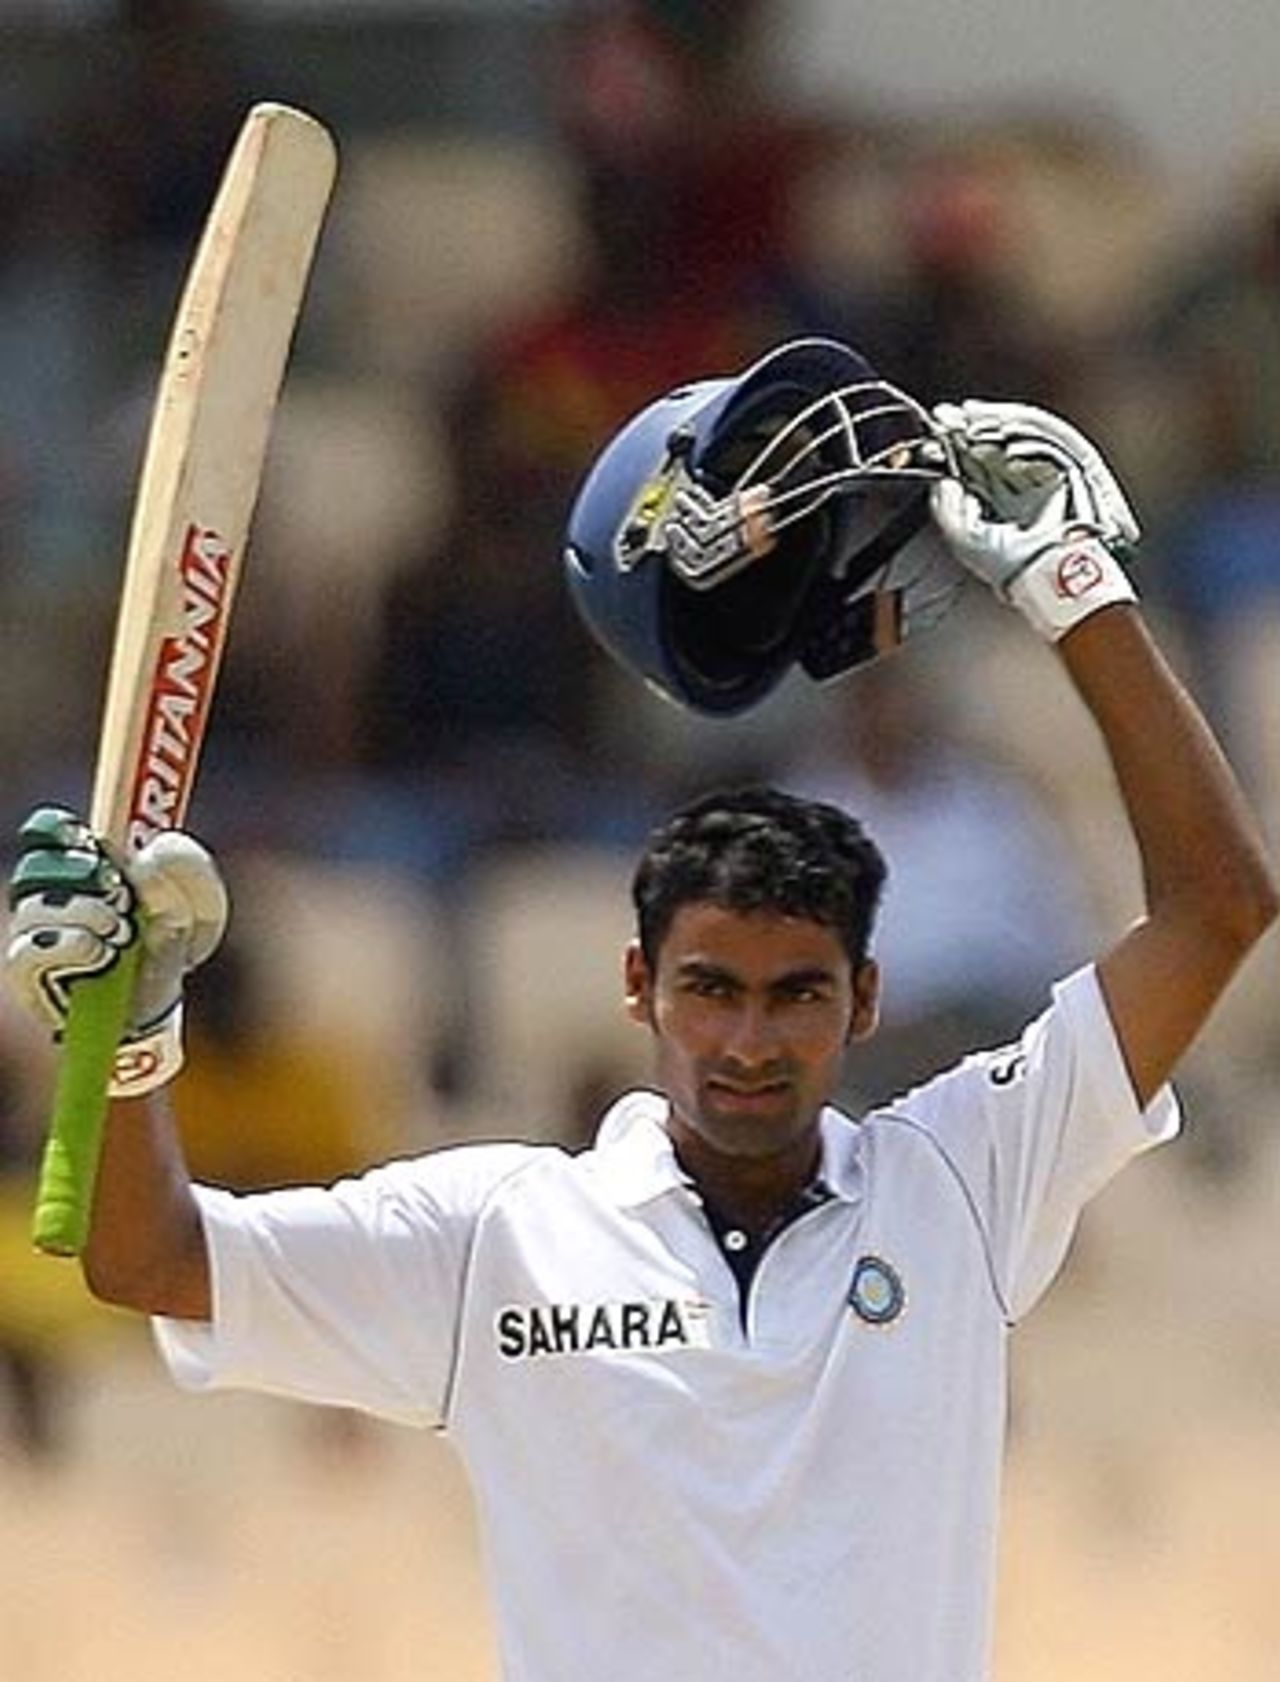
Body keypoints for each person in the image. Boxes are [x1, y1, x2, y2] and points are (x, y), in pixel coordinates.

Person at [6, 362, 1276, 1682]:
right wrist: (130, 1024)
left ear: (866, 1004)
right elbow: (147, 1259)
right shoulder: (499, 1237)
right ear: (638, 989)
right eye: (711, 990)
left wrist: (1077, 589)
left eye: (799, 995)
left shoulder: (958, 1179)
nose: (749, 1042)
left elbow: (1219, 907)